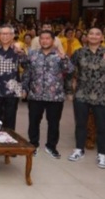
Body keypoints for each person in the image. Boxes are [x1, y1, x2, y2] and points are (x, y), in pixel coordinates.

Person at [68, 27, 105, 169]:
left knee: (102, 126)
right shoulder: (79, 53)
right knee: (81, 124)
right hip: (81, 93)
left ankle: (102, 154)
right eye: (91, 33)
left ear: (101, 37)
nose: (93, 36)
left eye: (97, 34)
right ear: (86, 36)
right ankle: (79, 149)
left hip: (102, 95)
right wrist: (69, 90)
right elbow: (69, 71)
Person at [21, 30, 73, 158]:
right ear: (39, 41)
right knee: (33, 121)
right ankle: (33, 144)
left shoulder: (60, 54)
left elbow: (70, 70)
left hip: (55, 96)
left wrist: (64, 58)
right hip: (35, 94)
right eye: (42, 39)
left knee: (53, 122)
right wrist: (24, 88)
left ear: (53, 40)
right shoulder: (32, 54)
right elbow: (27, 72)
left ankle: (51, 146)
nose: (44, 41)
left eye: (47, 38)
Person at [0, 25, 27, 131]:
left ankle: (10, 143)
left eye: (8, 34)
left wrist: (22, 54)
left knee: (10, 118)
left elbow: (26, 67)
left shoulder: (18, 50)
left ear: (12, 35)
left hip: (13, 89)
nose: (5, 36)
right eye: (2, 34)